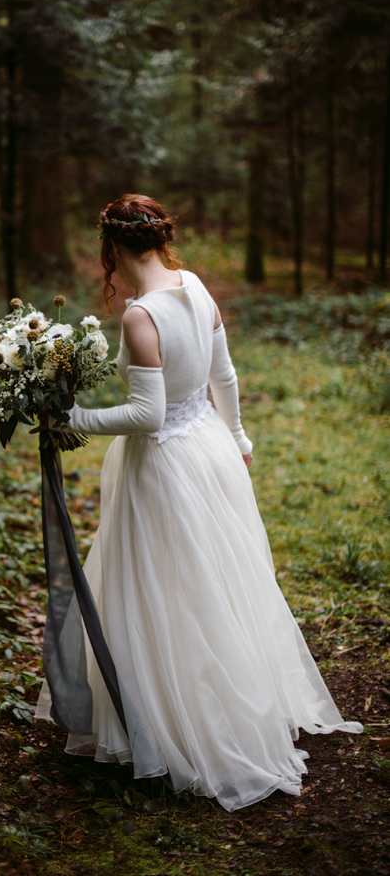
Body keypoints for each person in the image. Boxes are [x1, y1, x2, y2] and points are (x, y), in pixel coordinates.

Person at [35, 194, 362, 812]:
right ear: (160, 240)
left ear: (112, 250)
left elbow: (147, 414)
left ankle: (180, 722)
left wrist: (69, 416)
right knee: (211, 583)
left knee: (163, 588)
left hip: (162, 463)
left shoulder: (140, 316)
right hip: (207, 448)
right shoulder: (194, 286)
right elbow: (225, 377)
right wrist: (236, 436)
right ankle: (221, 696)